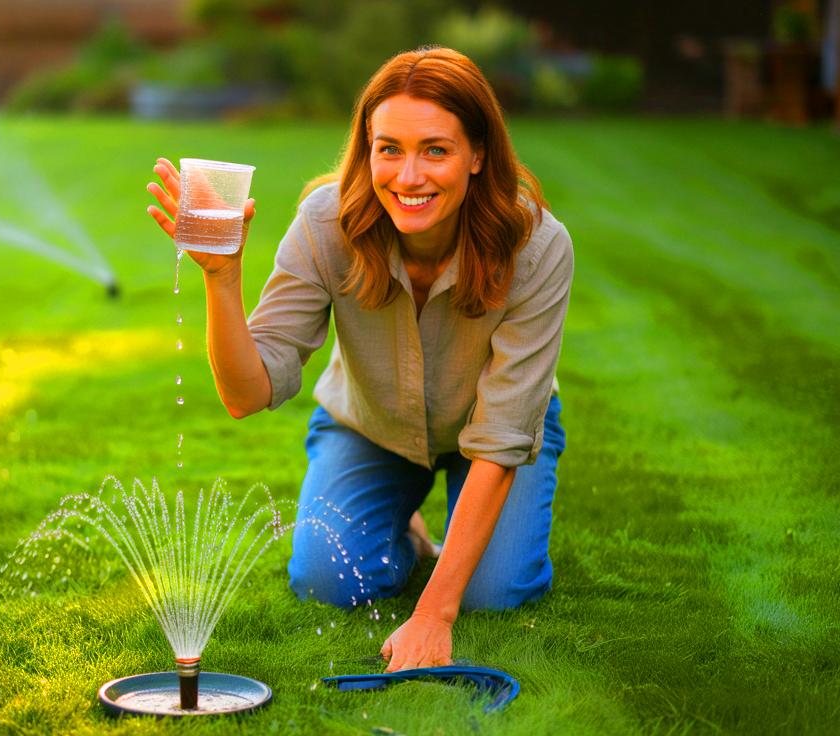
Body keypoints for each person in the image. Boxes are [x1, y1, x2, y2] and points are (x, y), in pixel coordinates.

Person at [146, 46, 572, 673]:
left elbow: (504, 432)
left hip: (495, 439)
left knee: (492, 595)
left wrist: (433, 614)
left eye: (435, 149)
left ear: (478, 155)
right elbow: (246, 393)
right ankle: (413, 533)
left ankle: (465, 543)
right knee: (328, 581)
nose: (408, 176)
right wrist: (221, 277)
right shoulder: (326, 224)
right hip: (370, 426)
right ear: (366, 148)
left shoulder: (536, 246)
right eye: (389, 148)